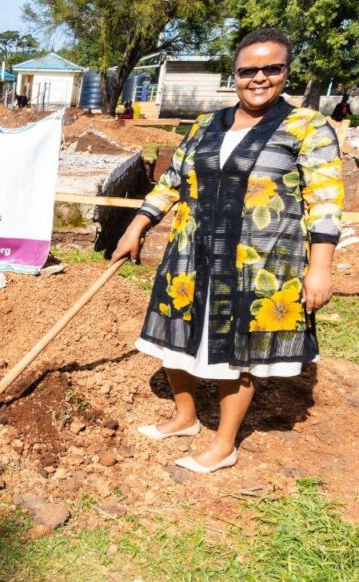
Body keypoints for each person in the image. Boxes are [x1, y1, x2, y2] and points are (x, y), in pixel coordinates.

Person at [111, 28, 343, 474]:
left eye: (271, 68)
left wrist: (321, 268)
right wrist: (138, 225)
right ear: (233, 75)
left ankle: (224, 444)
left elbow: (326, 202)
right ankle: (184, 417)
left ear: (286, 72)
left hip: (256, 263)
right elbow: (172, 181)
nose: (259, 78)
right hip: (190, 254)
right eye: (248, 70)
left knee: (237, 350)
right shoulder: (205, 125)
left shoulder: (307, 127)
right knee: (174, 335)